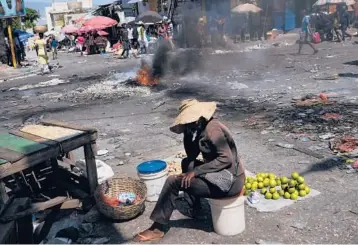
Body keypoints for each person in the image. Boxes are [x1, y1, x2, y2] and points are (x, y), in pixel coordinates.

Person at [134, 99, 246, 242]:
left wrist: (197, 172)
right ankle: (196, 209)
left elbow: (226, 159)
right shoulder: (201, 129)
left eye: (189, 122)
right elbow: (191, 156)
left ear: (198, 119)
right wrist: (187, 135)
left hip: (229, 181)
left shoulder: (213, 128)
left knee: (173, 182)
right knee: (187, 163)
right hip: (220, 175)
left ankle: (158, 228)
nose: (188, 125)